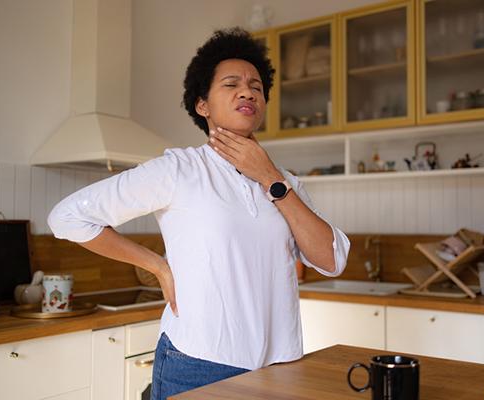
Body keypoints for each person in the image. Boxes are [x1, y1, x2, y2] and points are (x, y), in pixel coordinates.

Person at [48, 27, 350, 399]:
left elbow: (332, 260)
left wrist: (270, 177)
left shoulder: (285, 182)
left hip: (280, 365)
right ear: (202, 104)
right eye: (231, 84)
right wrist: (157, 266)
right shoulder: (179, 170)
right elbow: (66, 217)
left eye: (257, 86)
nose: (247, 91)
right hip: (198, 364)